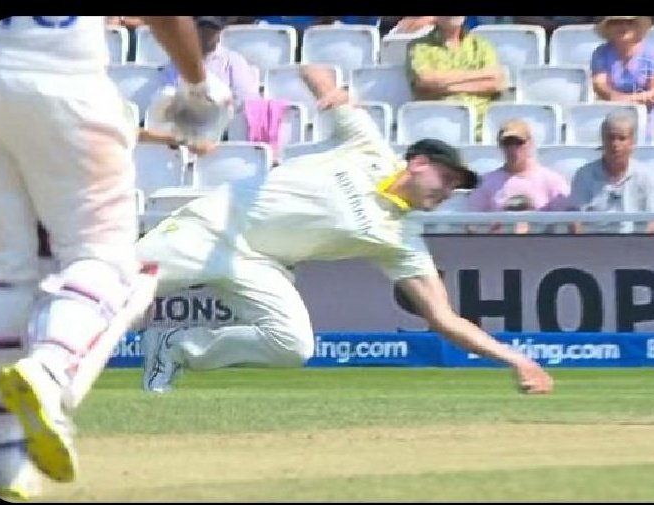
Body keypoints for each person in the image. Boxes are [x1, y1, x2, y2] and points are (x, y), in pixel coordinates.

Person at [135, 64, 554, 397]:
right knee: (113, 290)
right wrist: (329, 90)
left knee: (293, 347)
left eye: (455, 188)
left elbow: (444, 318)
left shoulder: (400, 238)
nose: (448, 192)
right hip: (211, 226)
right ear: (419, 163)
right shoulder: (368, 146)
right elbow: (311, 68)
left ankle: (174, 346)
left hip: (261, 264)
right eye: (446, 179)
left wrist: (516, 360)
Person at [0, 16, 226, 500]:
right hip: (65, 76)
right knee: (108, 261)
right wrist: (198, 84)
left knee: (1, 273)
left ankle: (7, 453)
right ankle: (50, 369)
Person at [406, 16, 506, 142]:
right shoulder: (419, 47)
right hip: (437, 127)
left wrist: (443, 84)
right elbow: (424, 80)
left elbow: (496, 82)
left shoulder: (482, 45)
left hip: (480, 128)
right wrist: (478, 75)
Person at [466, 119, 570, 233]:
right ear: (500, 146)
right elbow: (472, 224)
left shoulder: (552, 180)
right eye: (507, 143)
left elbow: (566, 223)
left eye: (519, 143)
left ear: (530, 143)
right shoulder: (487, 182)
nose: (513, 149)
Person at [569, 110, 654, 234]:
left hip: (635, 246)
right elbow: (576, 221)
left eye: (622, 138)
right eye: (610, 138)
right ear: (602, 140)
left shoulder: (647, 176)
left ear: (632, 143)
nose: (615, 144)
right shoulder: (584, 176)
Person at [590, 16, 654, 141]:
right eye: (617, 23)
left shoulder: (652, 53)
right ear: (609, 27)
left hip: (648, 113)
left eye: (629, 23)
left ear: (637, 26)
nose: (623, 27)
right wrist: (615, 98)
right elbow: (600, 85)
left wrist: (626, 100)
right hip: (613, 111)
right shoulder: (600, 53)